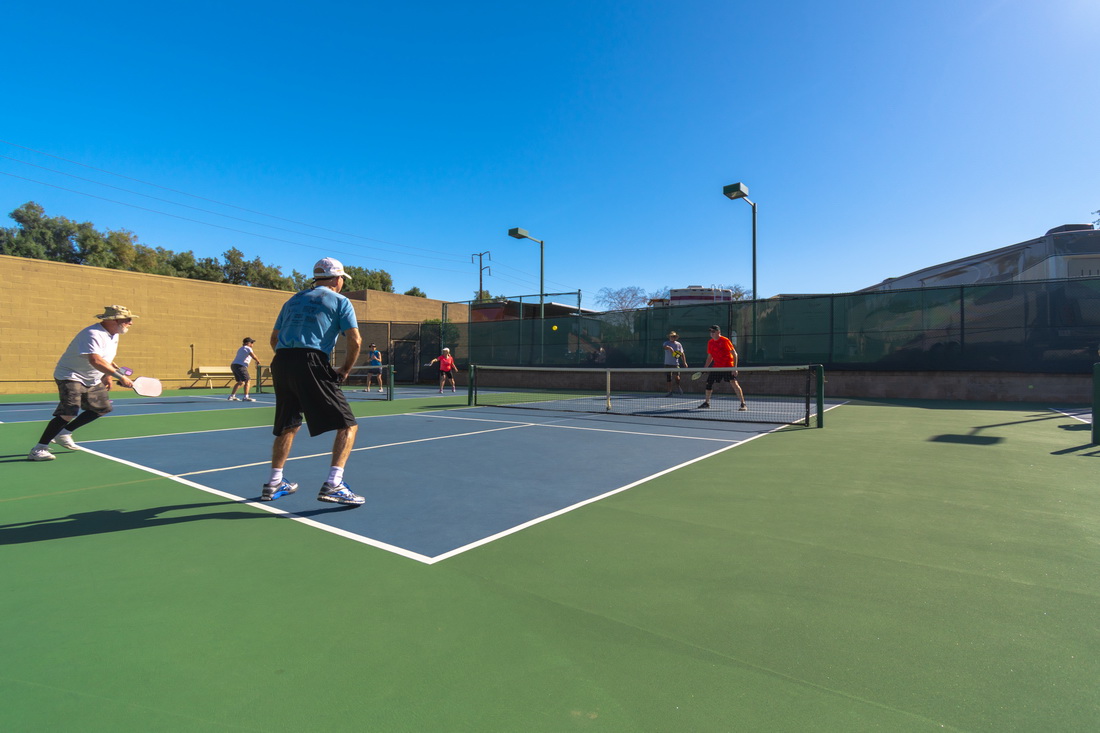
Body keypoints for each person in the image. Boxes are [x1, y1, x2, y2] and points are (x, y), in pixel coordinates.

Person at [263, 257, 364, 506]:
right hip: (311, 360)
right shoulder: (341, 301)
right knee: (348, 425)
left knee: (288, 424)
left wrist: (289, 360)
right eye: (342, 278)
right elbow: (356, 340)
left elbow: (274, 338)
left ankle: (274, 482)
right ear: (336, 278)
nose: (342, 283)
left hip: (282, 362)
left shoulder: (293, 299)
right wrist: (345, 369)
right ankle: (334, 484)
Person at [28, 305, 138, 461]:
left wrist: (108, 375)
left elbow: (105, 358)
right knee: (68, 412)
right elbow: (95, 360)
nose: (131, 323)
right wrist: (120, 377)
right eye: (127, 319)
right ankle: (39, 449)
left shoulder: (114, 334)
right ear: (114, 320)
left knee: (102, 408)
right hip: (71, 375)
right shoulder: (93, 334)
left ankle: (64, 432)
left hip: (91, 378)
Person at [698, 324, 747, 411]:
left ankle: (743, 404)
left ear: (718, 332)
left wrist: (734, 368)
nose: (712, 333)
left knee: (734, 383)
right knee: (709, 383)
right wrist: (705, 368)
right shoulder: (710, 342)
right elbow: (710, 357)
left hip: (728, 366)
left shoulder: (725, 340)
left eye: (713, 331)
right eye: (711, 332)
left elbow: (735, 354)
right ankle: (707, 403)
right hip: (717, 367)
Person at [228, 337, 261, 402]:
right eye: (251, 342)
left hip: (234, 365)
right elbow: (253, 355)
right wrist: (258, 361)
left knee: (240, 382)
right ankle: (246, 397)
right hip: (240, 366)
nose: (252, 344)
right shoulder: (248, 348)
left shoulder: (241, 348)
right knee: (247, 380)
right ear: (247, 343)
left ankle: (232, 396)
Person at [662, 330, 688, 396]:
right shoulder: (666, 343)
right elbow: (665, 347)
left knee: (677, 376)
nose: (672, 337)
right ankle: (669, 391)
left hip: (675, 364)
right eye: (671, 336)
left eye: (673, 336)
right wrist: (670, 348)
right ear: (669, 337)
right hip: (667, 363)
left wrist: (684, 362)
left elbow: (682, 354)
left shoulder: (678, 344)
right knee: (669, 377)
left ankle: (678, 386)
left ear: (675, 337)